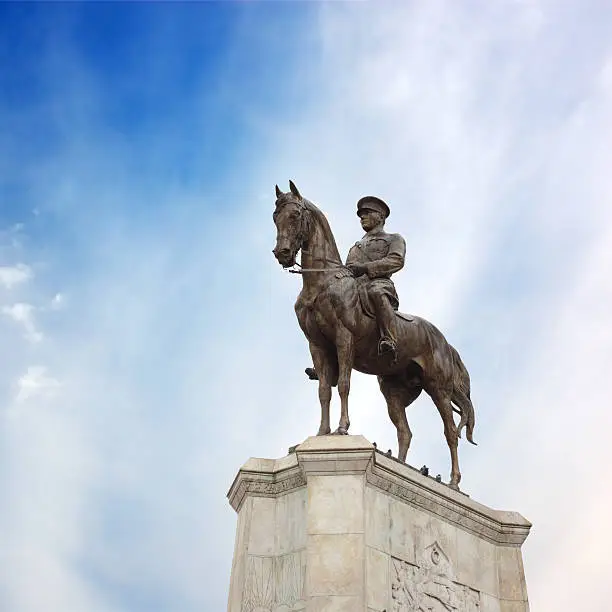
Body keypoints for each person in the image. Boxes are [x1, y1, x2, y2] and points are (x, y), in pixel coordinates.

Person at [346, 196, 406, 358]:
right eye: (360, 215)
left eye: (367, 213)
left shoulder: (393, 239)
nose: (362, 217)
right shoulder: (354, 247)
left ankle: (389, 339)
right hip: (354, 289)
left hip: (379, 284)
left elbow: (396, 260)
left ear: (381, 216)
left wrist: (366, 267)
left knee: (375, 291)